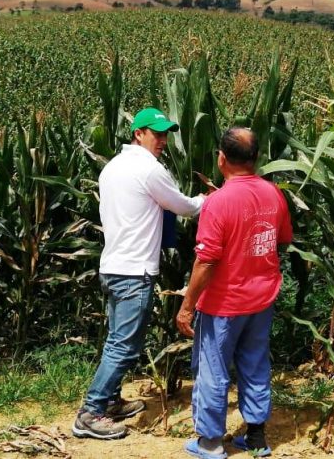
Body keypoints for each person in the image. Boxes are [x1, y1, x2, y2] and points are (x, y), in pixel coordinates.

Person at [73, 107, 206, 440]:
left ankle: (111, 400)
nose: (162, 140)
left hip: (113, 266)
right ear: (138, 134)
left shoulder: (113, 168)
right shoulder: (149, 170)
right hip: (134, 272)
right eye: (156, 133)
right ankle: (91, 412)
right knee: (124, 346)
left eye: (165, 134)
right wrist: (208, 198)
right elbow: (184, 207)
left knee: (116, 340)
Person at [176, 127, 292, 458]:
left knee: (212, 369)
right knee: (254, 364)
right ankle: (256, 438)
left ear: (221, 158)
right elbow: (281, 238)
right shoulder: (274, 194)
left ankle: (210, 442)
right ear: (256, 159)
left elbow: (206, 261)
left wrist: (187, 306)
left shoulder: (219, 201)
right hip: (262, 298)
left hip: (224, 303)